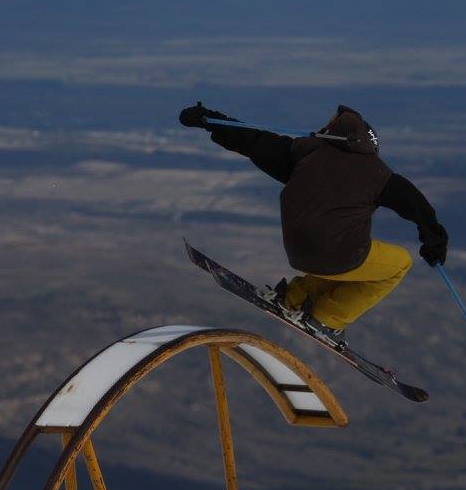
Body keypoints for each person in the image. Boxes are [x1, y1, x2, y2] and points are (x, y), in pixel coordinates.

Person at [179, 103, 448, 340]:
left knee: (349, 267)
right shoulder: (378, 174)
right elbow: (416, 204)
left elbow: (253, 141)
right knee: (399, 264)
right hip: (337, 253)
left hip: (298, 251)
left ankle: (293, 299)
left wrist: (208, 118)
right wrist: (434, 240)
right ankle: (328, 320)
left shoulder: (303, 152)